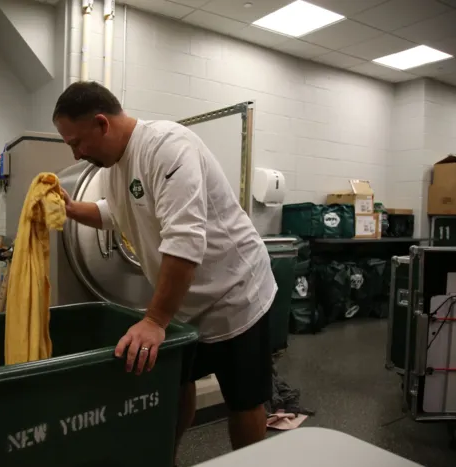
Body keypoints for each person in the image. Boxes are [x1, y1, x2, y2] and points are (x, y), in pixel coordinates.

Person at [52, 81, 277, 458]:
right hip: (184, 304)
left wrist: (155, 319)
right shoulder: (112, 168)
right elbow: (114, 213)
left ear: (102, 124)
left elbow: (185, 241)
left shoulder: (168, 148)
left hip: (234, 294)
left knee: (243, 400)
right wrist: (72, 210)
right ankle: (162, 459)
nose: (76, 154)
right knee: (175, 387)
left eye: (76, 142)